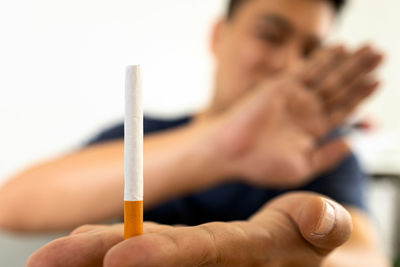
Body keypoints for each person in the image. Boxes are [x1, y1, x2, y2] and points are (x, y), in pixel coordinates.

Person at [1, 0, 391, 265]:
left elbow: (368, 256)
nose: (289, 64)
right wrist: (218, 149)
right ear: (219, 36)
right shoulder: (144, 134)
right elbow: (12, 204)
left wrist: (304, 258)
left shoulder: (320, 154)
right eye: (271, 36)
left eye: (310, 50)